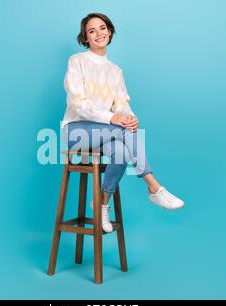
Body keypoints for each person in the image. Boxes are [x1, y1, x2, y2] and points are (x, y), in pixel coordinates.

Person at [61, 13, 185, 233]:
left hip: (107, 133)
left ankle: (101, 203)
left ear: (109, 31)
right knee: (120, 128)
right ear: (85, 38)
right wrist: (113, 118)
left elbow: (122, 105)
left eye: (102, 28)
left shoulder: (115, 71)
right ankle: (154, 187)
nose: (99, 33)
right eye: (92, 31)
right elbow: (79, 103)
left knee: (121, 152)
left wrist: (129, 118)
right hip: (76, 131)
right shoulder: (77, 61)